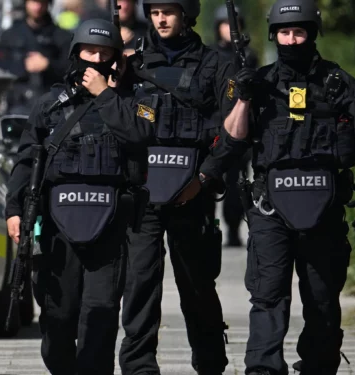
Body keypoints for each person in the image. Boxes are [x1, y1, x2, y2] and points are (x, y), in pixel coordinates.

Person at [212, 0, 355, 373]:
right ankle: (263, 368)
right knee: (268, 295)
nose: (292, 40)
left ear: (312, 34)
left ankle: (319, 366)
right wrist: (243, 97)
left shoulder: (338, 84)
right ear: (274, 36)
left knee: (323, 300)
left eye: (300, 32)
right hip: (270, 209)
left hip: (323, 208)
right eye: (285, 33)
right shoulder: (258, 84)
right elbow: (230, 142)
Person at [3, 19, 153, 375]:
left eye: (105, 53)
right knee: (58, 315)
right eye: (90, 52)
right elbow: (27, 160)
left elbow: (139, 134)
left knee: (100, 313)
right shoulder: (49, 105)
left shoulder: (136, 100)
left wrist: (107, 94)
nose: (96, 59)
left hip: (110, 225)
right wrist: (14, 210)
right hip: (58, 226)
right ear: (76, 54)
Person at [116, 0, 237, 373]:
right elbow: (113, 119)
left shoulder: (215, 63)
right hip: (143, 192)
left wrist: (205, 178)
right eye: (155, 12)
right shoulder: (130, 62)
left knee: (197, 283)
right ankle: (138, 366)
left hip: (193, 191)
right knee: (140, 282)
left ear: (186, 15)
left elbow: (233, 130)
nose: (162, 19)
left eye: (169, 11)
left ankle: (210, 361)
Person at [211, 3, 258, 246]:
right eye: (225, 25)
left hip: (242, 129)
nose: (230, 30)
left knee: (238, 181)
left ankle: (234, 227)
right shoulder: (211, 56)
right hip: (217, 128)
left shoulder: (249, 56)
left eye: (235, 25)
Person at [0, 0, 73, 115]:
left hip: (51, 104)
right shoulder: (11, 35)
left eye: (42, 2)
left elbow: (69, 69)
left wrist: (48, 65)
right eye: (34, 2)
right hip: (17, 103)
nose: (37, 7)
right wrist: (22, 65)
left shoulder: (61, 37)